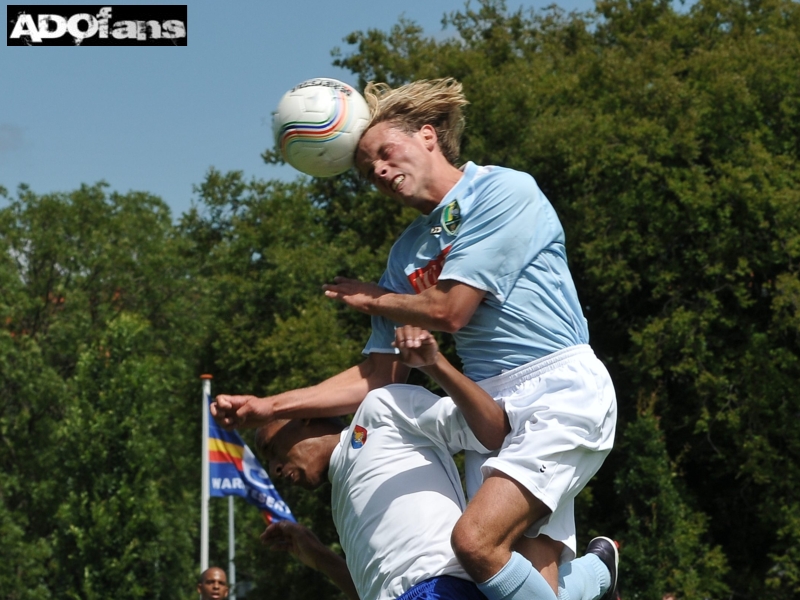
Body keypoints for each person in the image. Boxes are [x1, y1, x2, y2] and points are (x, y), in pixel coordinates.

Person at [213, 78, 618, 600]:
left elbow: (450, 310)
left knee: (475, 546)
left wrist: (373, 299)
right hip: (487, 413)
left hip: (559, 391)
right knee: (527, 581)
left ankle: (596, 576)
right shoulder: (405, 254)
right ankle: (599, 575)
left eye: (386, 152)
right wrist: (268, 406)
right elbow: (377, 379)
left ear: (428, 135)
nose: (378, 170)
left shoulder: (502, 191)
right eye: (366, 169)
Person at [258, 326, 615, 600]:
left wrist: (436, 364)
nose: (275, 470)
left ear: (303, 416)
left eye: (272, 448)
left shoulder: (378, 409)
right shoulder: (340, 501)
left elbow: (492, 428)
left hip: (444, 587)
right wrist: (319, 556)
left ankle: (599, 570)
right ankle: (600, 569)